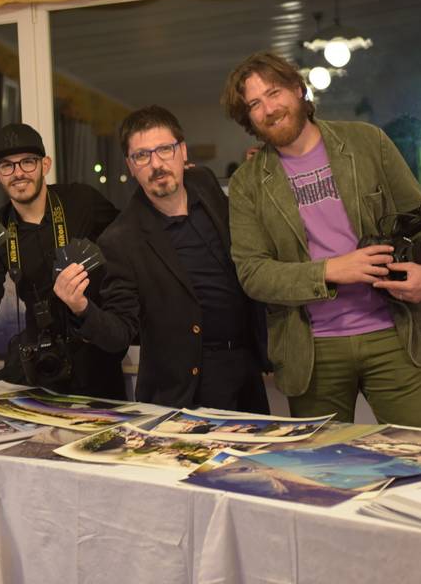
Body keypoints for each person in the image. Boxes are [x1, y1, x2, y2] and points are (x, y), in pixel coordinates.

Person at [221, 51, 421, 428]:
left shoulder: (366, 142)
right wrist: (329, 270)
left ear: (298, 89)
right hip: (311, 351)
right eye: (254, 104)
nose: (269, 109)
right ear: (248, 118)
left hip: (395, 334)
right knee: (323, 475)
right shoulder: (247, 183)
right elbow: (253, 273)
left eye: (274, 93)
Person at [54, 105, 269, 412]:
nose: (156, 164)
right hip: (185, 389)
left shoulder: (205, 183)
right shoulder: (119, 240)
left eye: (165, 150)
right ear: (130, 165)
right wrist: (81, 308)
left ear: (182, 152)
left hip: (246, 372)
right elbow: (120, 334)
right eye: (142, 156)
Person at [0, 123, 126, 399]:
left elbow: (128, 237)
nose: (18, 173)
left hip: (95, 355)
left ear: (45, 165)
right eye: (7, 166)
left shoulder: (81, 201)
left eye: (28, 162)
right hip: (41, 364)